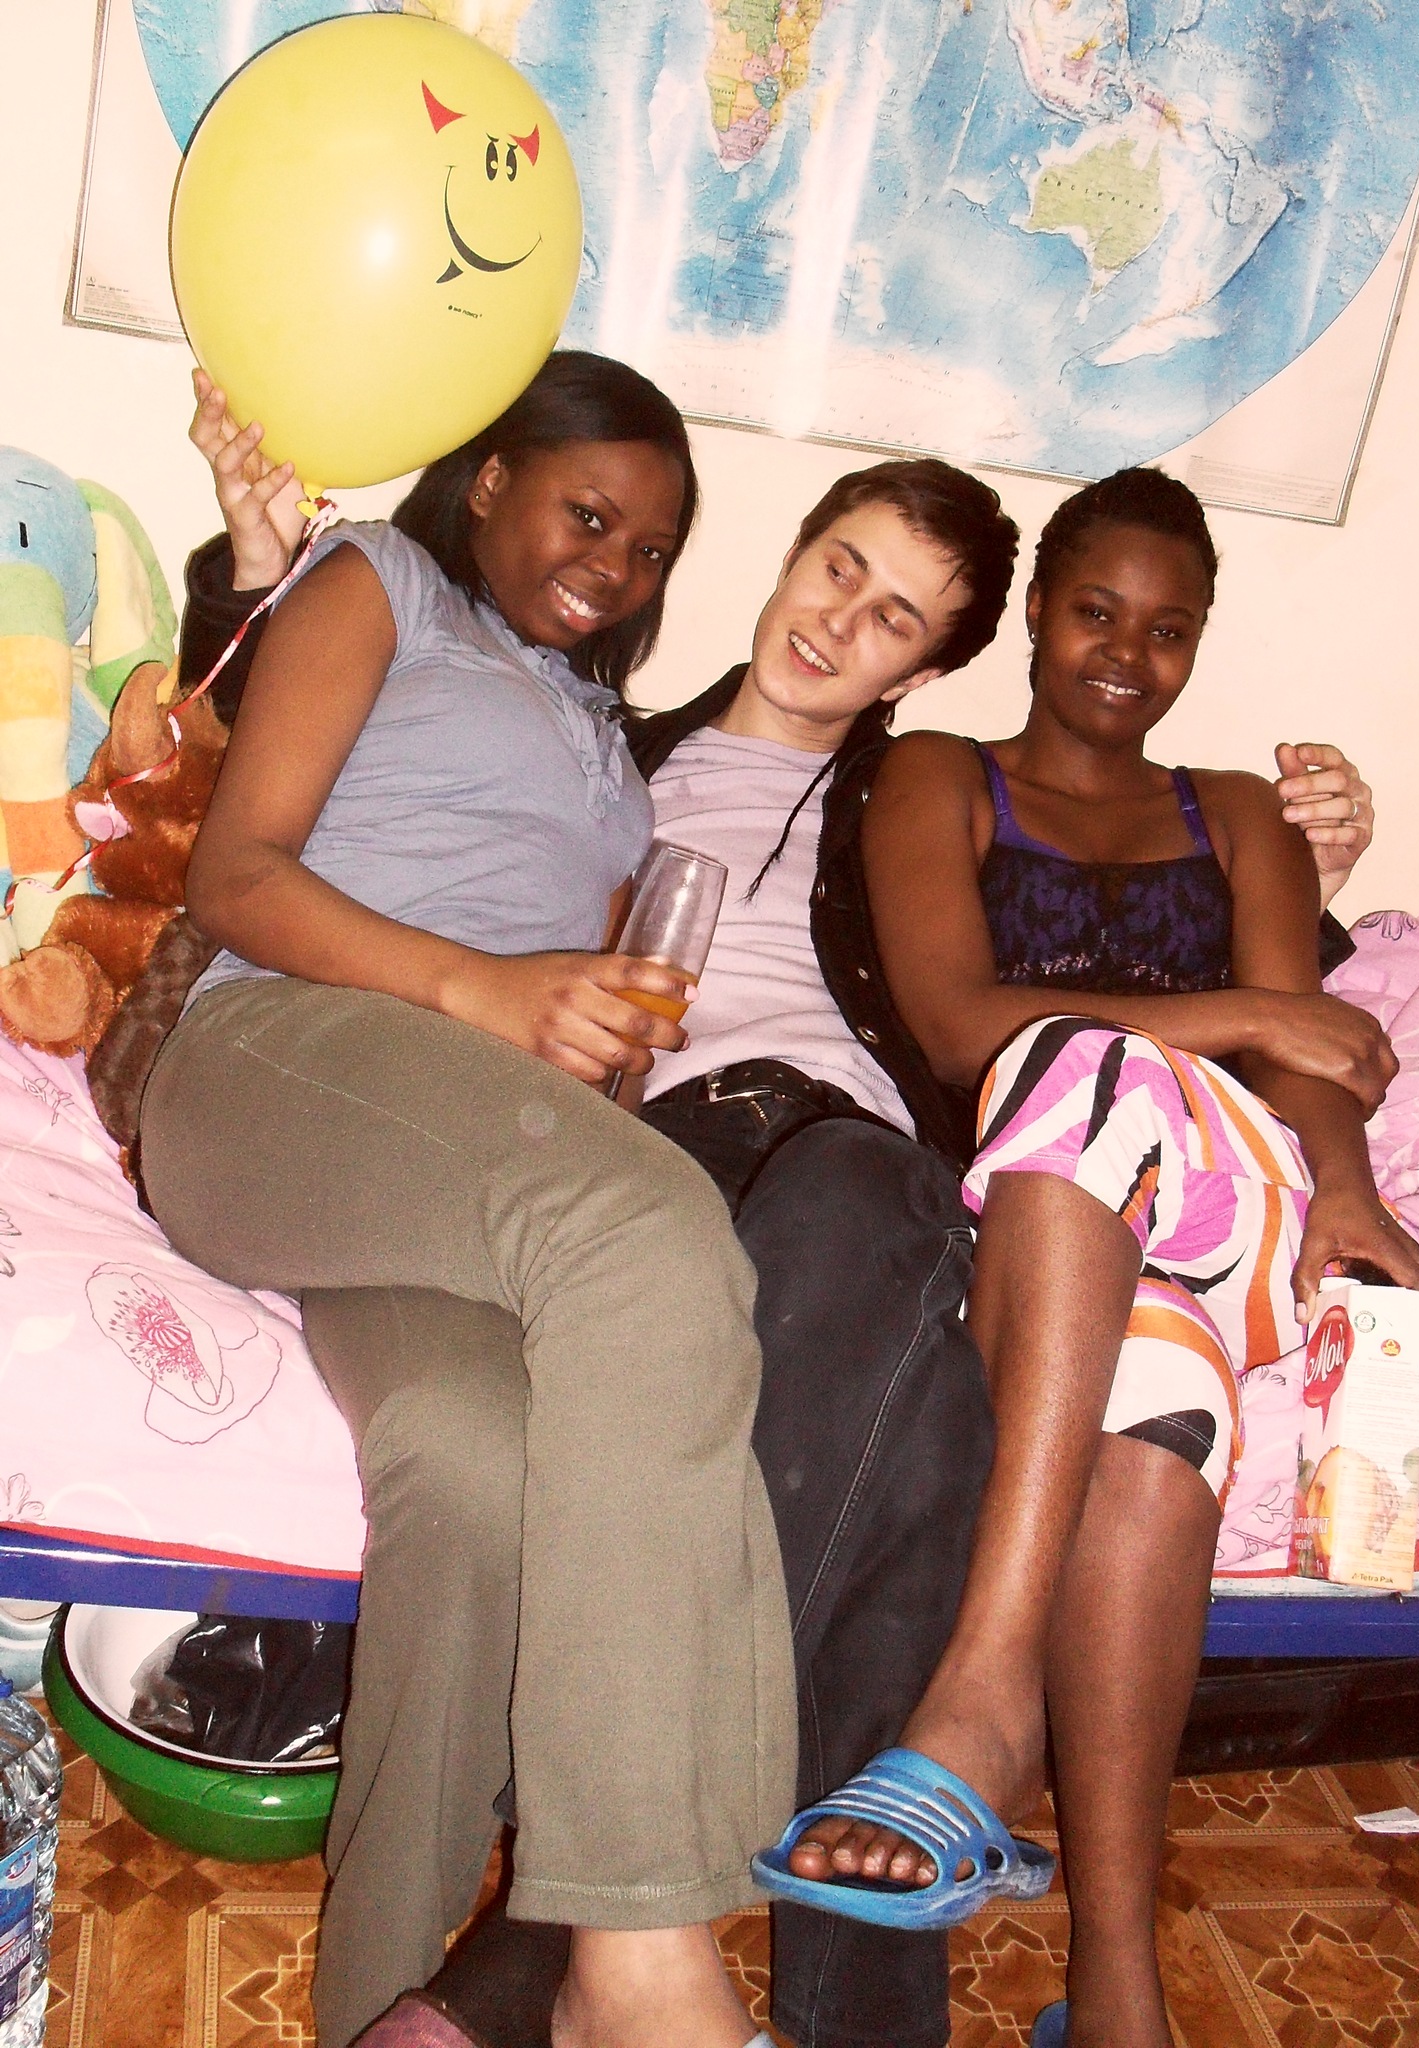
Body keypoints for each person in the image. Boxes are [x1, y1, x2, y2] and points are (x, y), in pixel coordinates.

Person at [178, 415, 1380, 2048]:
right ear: (790, 553)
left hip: (845, 1158)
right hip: (644, 1148)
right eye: (837, 568)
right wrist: (245, 577)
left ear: (924, 669)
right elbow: (371, 777)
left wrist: (1320, 881)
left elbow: (1083, 939)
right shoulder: (609, 742)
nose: (839, 621)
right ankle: (759, 1985)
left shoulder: (921, 792)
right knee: (918, 1417)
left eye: (895, 619)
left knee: (909, 1336)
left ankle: (565, 1952)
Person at [140, 352, 800, 2048]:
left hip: (436, 1151)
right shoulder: (381, 582)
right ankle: (635, 1953)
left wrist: (583, 1044)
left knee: (473, 1461)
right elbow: (235, 871)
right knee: (654, 1233)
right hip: (276, 1067)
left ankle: (393, 2005)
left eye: (651, 549)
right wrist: (491, 993)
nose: (616, 567)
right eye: (590, 513)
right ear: (492, 477)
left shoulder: (608, 738)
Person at [753, 467, 1419, 2048]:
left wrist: (1348, 1196)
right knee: (1154, 1431)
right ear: (1037, 615)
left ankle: (985, 1687)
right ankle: (1123, 1988)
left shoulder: (1239, 812)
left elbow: (1309, 1064)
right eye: (1096, 613)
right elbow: (957, 1028)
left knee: (1088, 1069)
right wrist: (1253, 1012)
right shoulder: (936, 775)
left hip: (1230, 1194)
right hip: (1047, 1239)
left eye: (1169, 629)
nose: (1129, 655)